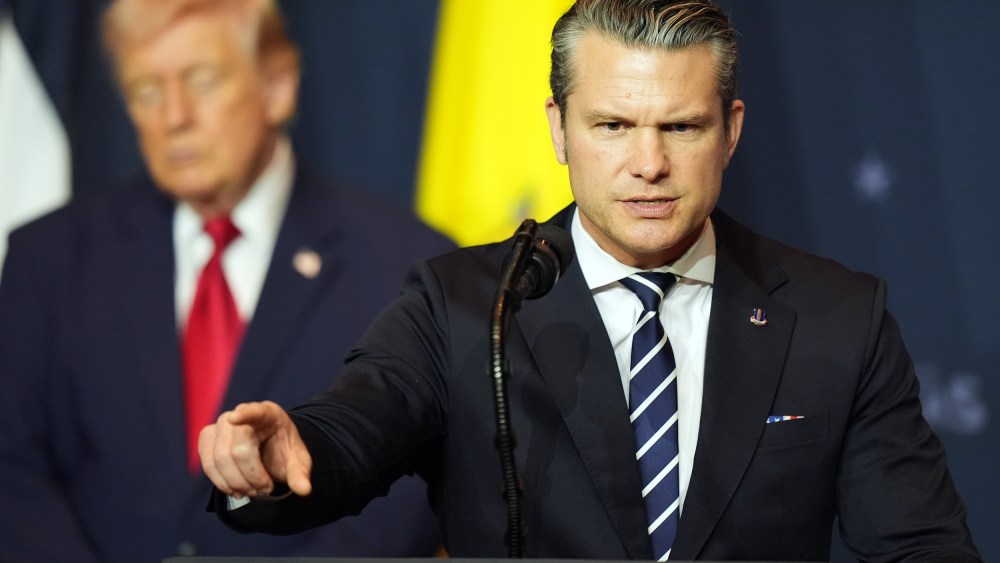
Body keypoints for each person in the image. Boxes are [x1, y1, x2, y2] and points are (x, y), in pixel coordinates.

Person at [198, 0, 982, 560]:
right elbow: (353, 429)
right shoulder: (463, 305)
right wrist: (281, 452)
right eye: (613, 125)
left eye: (681, 126)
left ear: (731, 131)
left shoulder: (836, 317)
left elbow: (920, 545)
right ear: (559, 130)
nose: (649, 163)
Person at [0, 0, 453, 561]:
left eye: (201, 80)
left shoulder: (405, 262)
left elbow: (408, 491)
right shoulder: (49, 258)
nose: (174, 116)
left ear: (277, 88)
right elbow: (11, 465)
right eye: (146, 91)